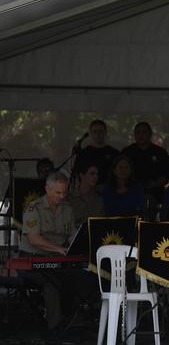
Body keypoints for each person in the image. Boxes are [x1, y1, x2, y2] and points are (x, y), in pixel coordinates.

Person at [18, 172, 76, 330]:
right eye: (58, 192)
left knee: (76, 278)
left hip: (55, 260)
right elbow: (34, 239)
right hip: (30, 261)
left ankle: (74, 320)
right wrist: (59, 248)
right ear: (47, 189)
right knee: (52, 283)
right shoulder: (33, 208)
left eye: (64, 192)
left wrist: (75, 246)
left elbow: (72, 235)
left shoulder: (67, 209)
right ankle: (55, 327)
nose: (62, 196)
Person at [121, 121, 169, 204]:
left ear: (150, 134)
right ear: (134, 135)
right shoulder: (127, 153)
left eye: (144, 132)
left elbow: (166, 174)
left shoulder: (160, 153)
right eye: (138, 132)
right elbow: (120, 174)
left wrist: (155, 184)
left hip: (156, 194)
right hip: (130, 193)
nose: (141, 135)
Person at [76, 119, 120, 186]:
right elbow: (79, 175)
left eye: (100, 131)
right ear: (90, 133)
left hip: (109, 190)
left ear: (105, 132)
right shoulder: (83, 153)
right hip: (88, 192)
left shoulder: (114, 153)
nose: (98, 134)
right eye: (95, 131)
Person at [65, 159, 104, 231]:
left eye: (97, 174)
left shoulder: (99, 199)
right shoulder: (69, 199)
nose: (95, 177)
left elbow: (102, 223)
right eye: (92, 174)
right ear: (82, 175)